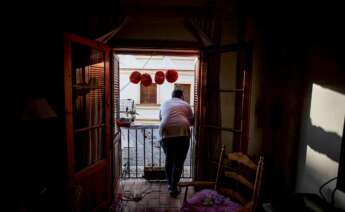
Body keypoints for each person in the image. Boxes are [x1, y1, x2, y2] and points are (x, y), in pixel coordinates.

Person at [159, 89, 194, 197]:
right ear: (182, 96)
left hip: (166, 131)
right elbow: (192, 121)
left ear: (172, 96)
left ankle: (170, 184)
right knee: (179, 162)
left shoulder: (164, 103)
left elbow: (160, 118)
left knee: (169, 160)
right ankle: (174, 187)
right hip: (182, 132)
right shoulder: (186, 104)